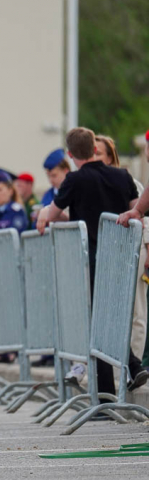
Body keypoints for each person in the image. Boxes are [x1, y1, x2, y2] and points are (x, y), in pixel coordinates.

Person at [39, 127, 147, 395]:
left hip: (93, 260)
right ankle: (131, 367)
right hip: (121, 257)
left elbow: (54, 212)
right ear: (94, 148)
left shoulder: (75, 180)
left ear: (71, 154)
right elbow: (137, 211)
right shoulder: (122, 175)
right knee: (113, 321)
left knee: (98, 326)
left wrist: (42, 215)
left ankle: (106, 394)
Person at [96, 133, 148, 369]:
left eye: (99, 153)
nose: (94, 157)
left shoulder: (128, 182)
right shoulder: (88, 181)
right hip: (109, 257)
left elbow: (143, 218)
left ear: (110, 157)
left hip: (132, 255)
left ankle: (132, 369)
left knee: (135, 311)